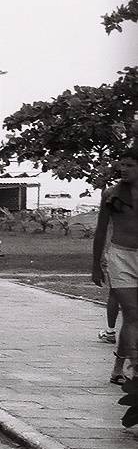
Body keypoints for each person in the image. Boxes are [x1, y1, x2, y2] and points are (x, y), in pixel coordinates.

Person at [91, 148, 138, 384]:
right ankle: (122, 368)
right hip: (120, 256)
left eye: (130, 165)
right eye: (122, 165)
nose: (124, 169)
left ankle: (123, 365)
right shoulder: (112, 195)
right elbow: (100, 231)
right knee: (132, 314)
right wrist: (95, 265)